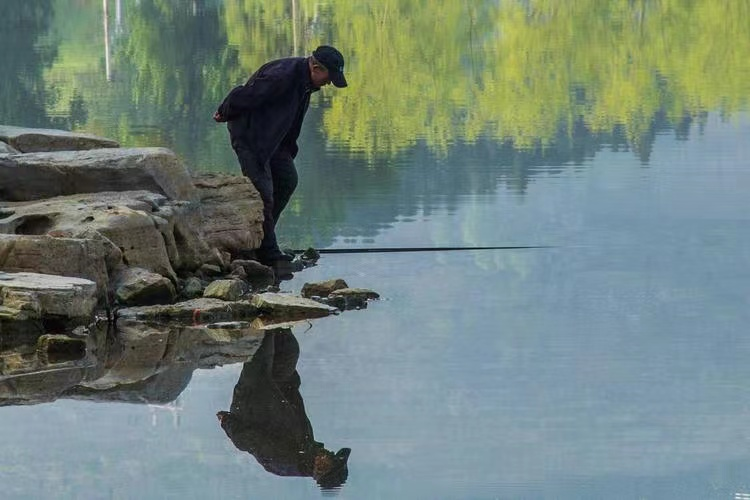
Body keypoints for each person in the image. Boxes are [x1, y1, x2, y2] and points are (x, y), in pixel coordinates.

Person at [213, 46, 348, 266]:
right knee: (263, 192)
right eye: (329, 77)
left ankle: (260, 238)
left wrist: (288, 151)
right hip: (250, 137)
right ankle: (268, 253)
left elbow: (291, 121)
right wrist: (224, 111)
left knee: (287, 180)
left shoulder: (305, 84)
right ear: (315, 67)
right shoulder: (282, 76)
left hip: (274, 141)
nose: (329, 83)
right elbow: (243, 95)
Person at [217, 329, 351, 489]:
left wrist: (228, 422)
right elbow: (293, 405)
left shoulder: (285, 463)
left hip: (252, 400)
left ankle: (260, 316)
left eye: (332, 459)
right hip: (277, 386)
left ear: (320, 470)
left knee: (263, 343)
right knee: (289, 349)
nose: (330, 453)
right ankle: (276, 317)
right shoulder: (309, 447)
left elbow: (250, 442)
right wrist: (290, 378)